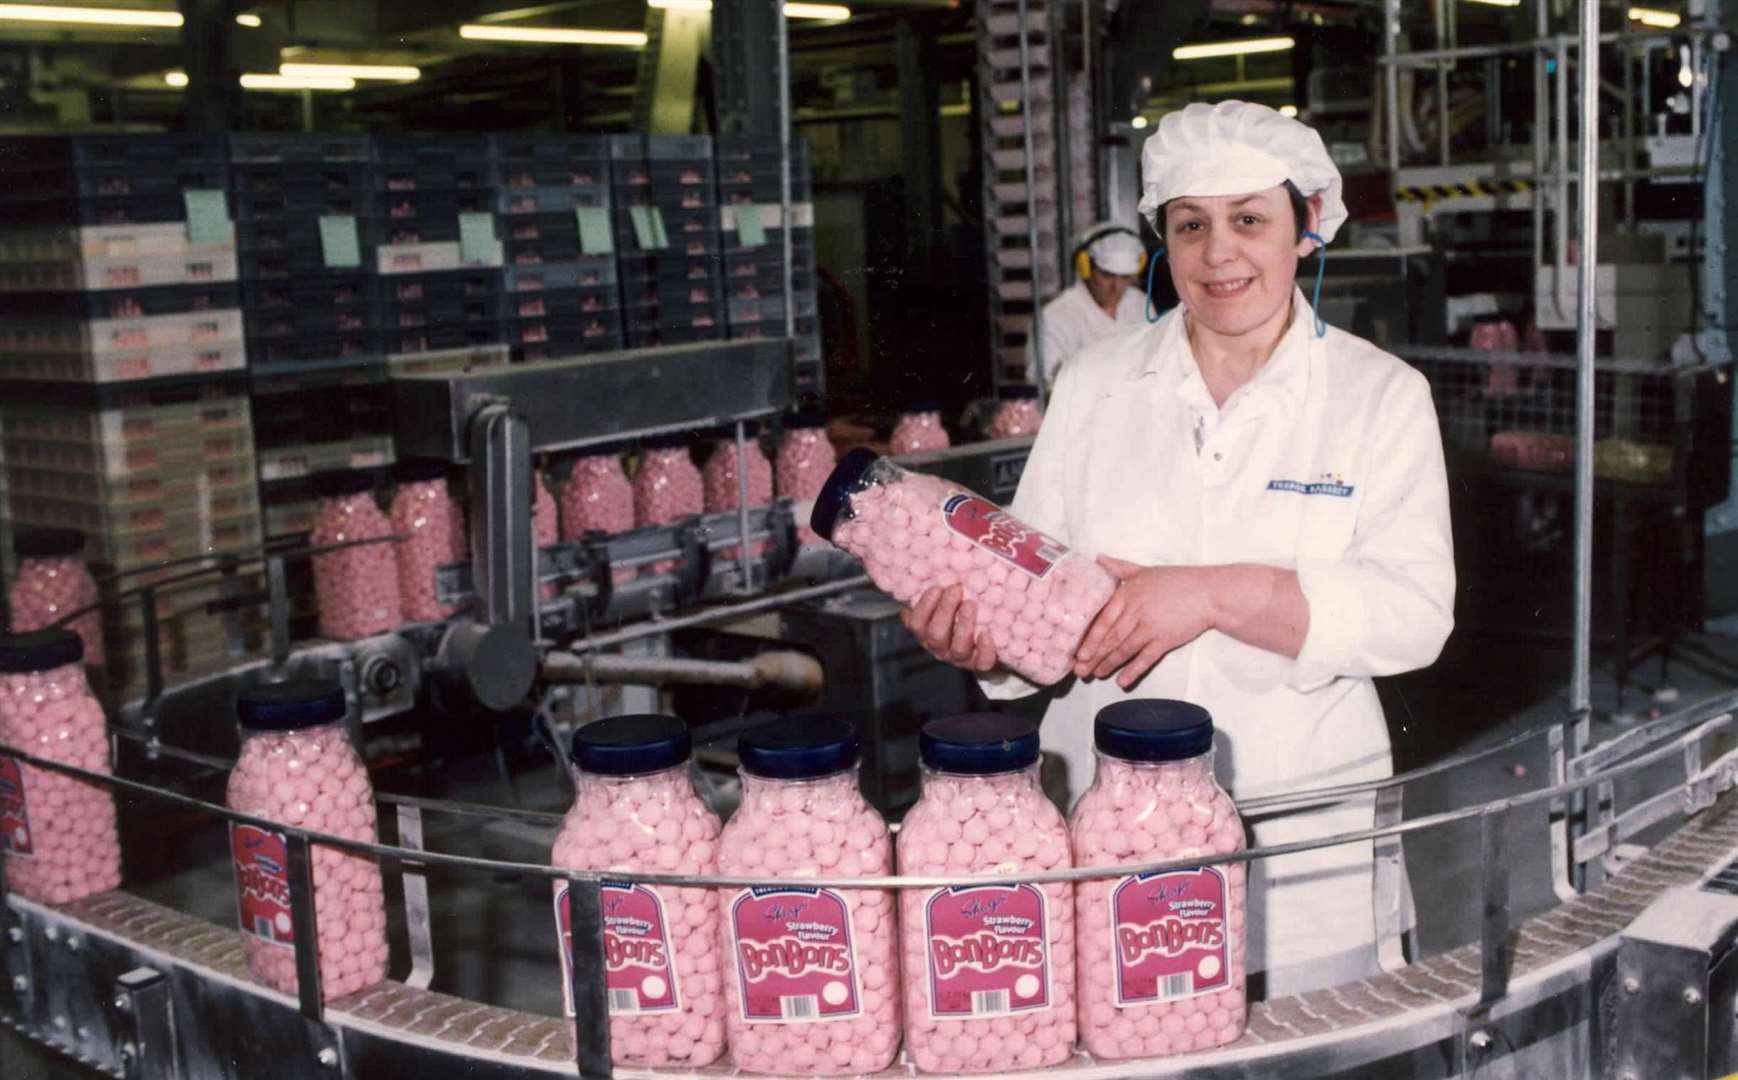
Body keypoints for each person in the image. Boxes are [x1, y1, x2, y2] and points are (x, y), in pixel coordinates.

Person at [904, 100, 1455, 997]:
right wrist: (988, 645)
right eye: (1191, 225)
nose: (1218, 253)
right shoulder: (1094, 384)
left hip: (1299, 814)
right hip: (1108, 820)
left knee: (1298, 1046)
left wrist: (1208, 593)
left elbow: (1416, 615)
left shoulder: (1378, 395)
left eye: (1249, 220)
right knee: (1127, 1031)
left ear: (1305, 229)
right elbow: (1034, 597)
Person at [1027, 222, 1149, 390]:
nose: (1117, 287)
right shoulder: (1055, 316)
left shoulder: (1140, 303)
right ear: (1085, 268)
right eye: (1107, 275)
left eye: (1125, 277)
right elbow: (1042, 384)